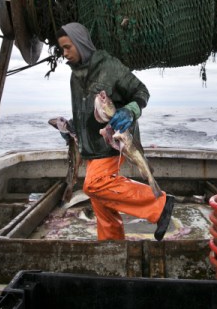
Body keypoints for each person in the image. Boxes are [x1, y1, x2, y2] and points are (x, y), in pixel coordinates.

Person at [56, 22, 174, 241]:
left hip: (111, 142)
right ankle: (112, 249)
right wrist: (72, 128)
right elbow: (83, 111)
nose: (64, 53)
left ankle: (160, 204)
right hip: (90, 146)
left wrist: (130, 110)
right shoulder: (75, 76)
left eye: (67, 47)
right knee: (104, 212)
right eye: (62, 48)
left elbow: (141, 91)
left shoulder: (109, 66)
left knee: (94, 185)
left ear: (80, 44)